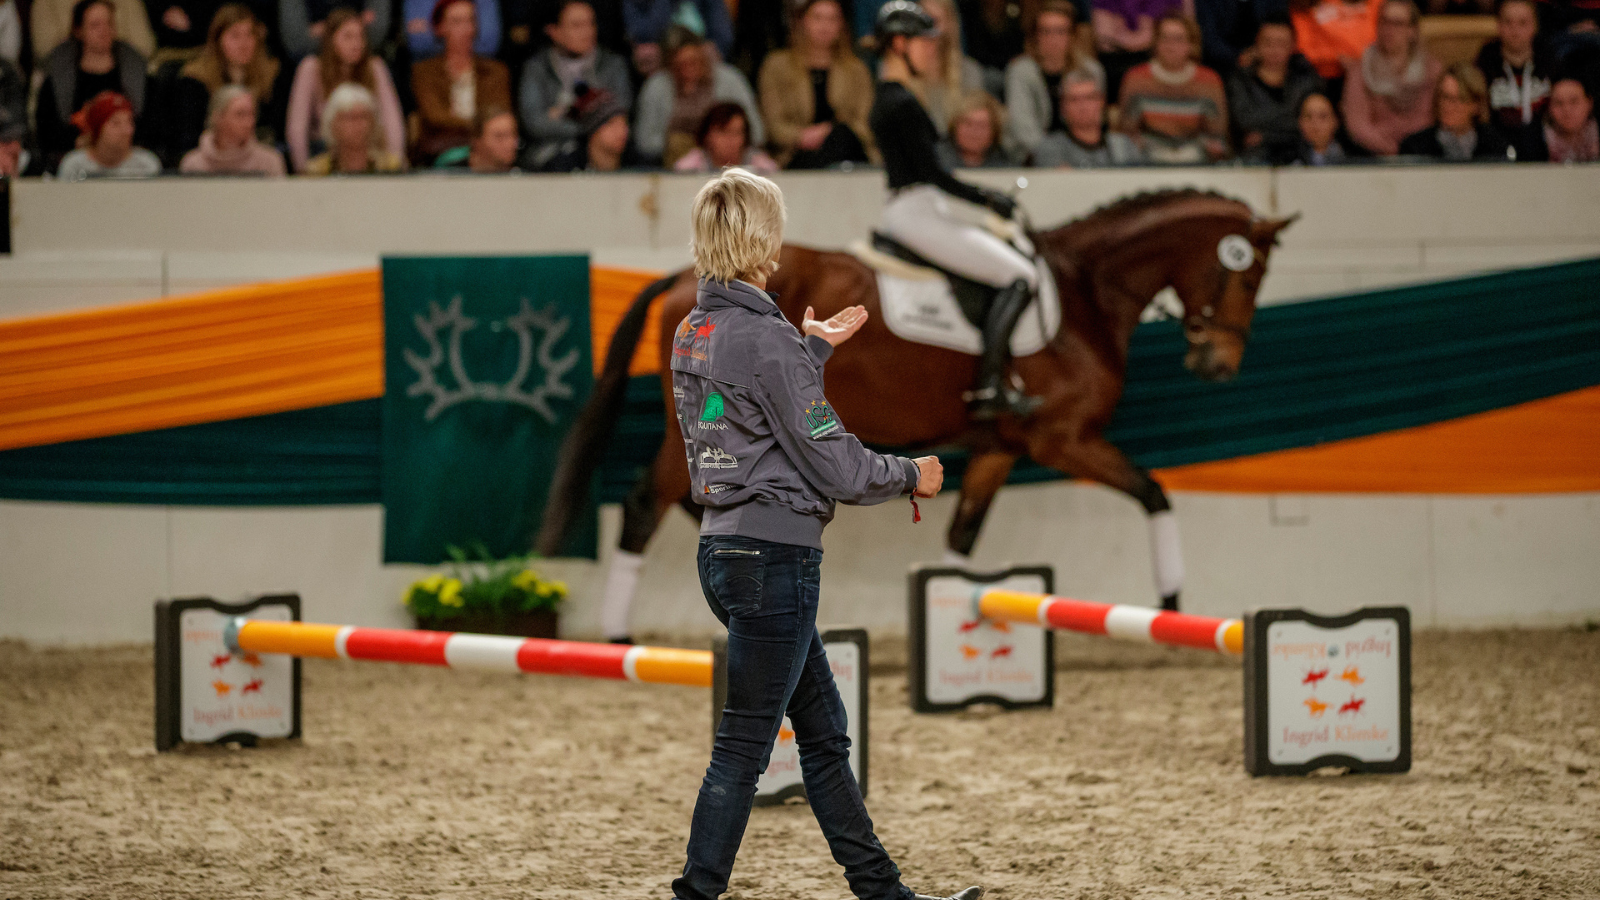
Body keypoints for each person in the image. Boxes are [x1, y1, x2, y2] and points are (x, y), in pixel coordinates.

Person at [666, 164, 973, 900]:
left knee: (825, 736)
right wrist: (909, 475)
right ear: (759, 238)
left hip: (723, 549)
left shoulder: (695, 328)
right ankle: (695, 894)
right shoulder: (765, 338)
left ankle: (883, 891)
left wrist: (813, 355)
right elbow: (833, 462)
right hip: (776, 558)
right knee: (745, 746)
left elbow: (739, 419)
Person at [871, 1, 1039, 419]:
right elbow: (934, 174)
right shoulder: (899, 103)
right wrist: (990, 199)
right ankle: (989, 387)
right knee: (1021, 274)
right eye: (924, 43)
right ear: (898, 44)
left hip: (919, 206)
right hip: (916, 209)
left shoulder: (896, 97)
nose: (933, 51)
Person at [757, 0, 874, 169]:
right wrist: (801, 136)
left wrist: (829, 132)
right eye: (818, 18)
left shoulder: (857, 70)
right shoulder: (777, 66)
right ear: (803, 21)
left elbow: (865, 123)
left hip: (849, 151)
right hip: (795, 153)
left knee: (841, 137)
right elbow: (772, 125)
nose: (824, 26)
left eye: (832, 19)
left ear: (841, 25)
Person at [284, 7, 404, 171]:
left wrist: (394, 163)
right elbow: (297, 127)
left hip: (369, 154)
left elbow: (392, 122)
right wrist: (302, 171)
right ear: (330, 39)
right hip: (323, 156)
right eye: (348, 36)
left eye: (360, 36)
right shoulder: (311, 68)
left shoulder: (374, 67)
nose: (356, 44)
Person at [518, 0, 632, 170]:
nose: (587, 32)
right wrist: (591, 122)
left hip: (605, 155)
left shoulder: (613, 65)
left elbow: (620, 113)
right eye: (576, 25)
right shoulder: (537, 68)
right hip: (548, 157)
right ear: (554, 31)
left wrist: (562, 113)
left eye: (591, 23)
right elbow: (535, 123)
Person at [35, 0, 148, 173]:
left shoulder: (137, 74)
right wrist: (86, 143)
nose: (104, 31)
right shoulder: (57, 81)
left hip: (129, 162)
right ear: (78, 31)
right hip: (74, 163)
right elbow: (47, 134)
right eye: (95, 25)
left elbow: (152, 127)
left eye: (109, 23)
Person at [170, 4, 286, 162]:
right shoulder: (196, 79)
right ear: (218, 40)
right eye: (235, 36)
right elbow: (188, 138)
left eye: (249, 35)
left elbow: (276, 131)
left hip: (258, 160)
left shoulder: (271, 74)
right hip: (210, 160)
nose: (244, 44)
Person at [634, 28, 764, 166]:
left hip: (727, 158)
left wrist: (720, 140)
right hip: (674, 163)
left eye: (693, 62)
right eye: (681, 65)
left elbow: (757, 134)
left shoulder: (730, 80)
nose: (688, 71)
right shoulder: (657, 86)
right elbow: (645, 142)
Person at [1117, 13, 1230, 162]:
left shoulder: (1209, 81)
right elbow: (1127, 132)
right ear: (1155, 42)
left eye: (1178, 39)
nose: (1171, 46)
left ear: (1191, 44)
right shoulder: (1136, 79)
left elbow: (1217, 134)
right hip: (1147, 159)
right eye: (1165, 38)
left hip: (1196, 158)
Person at [410, 0, 511, 164]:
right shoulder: (424, 72)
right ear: (440, 28)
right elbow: (435, 117)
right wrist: (480, 128)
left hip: (487, 149)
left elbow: (500, 113)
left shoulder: (495, 71)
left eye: (470, 20)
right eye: (457, 21)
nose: (467, 29)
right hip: (441, 148)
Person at [1004, 0, 1106, 159]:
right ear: (1035, 36)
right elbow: (1022, 127)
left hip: (1081, 155)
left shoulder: (1091, 71)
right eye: (1046, 31)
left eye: (1060, 31)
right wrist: (1052, 158)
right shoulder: (1020, 71)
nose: (1053, 39)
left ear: (1072, 36)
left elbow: (1095, 120)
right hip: (1029, 156)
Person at [1341, 0, 1439, 155]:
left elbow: (1431, 119)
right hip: (1373, 157)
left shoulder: (1431, 70)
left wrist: (1410, 148)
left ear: (1412, 30)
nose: (1389, 29)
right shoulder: (1360, 70)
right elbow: (1357, 125)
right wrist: (1392, 151)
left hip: (1422, 155)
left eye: (1397, 23)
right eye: (1384, 22)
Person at [1227, 13, 1325, 161]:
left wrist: (1266, 136)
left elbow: (1312, 123)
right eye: (1268, 43)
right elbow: (1245, 120)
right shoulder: (1240, 79)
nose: (1274, 50)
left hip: (1303, 154)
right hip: (1254, 158)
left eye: (1281, 43)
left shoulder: (1307, 79)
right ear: (1256, 44)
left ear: (1293, 46)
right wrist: (1293, 119)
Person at [1034, 65, 1146, 164]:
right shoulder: (1051, 148)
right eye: (1074, 100)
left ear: (1102, 102)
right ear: (1063, 107)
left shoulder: (1123, 145)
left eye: (1090, 98)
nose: (1083, 106)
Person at [1399, 61, 1513, 157]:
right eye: (1445, 97)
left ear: (1476, 105)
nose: (1448, 106)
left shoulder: (1496, 148)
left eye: (1459, 99)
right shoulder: (1414, 149)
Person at [1475, 0, 1553, 138]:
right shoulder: (1484, 62)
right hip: (1497, 144)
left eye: (1522, 23)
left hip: (1543, 146)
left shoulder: (1549, 59)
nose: (1515, 30)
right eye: (1508, 22)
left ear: (1534, 26)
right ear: (1498, 25)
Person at [1092, 0, 1193, 98]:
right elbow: (1104, 38)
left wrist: (1124, 36)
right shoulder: (1133, 79)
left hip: (1150, 56)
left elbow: (1182, 27)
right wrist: (1144, 34)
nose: (1171, 44)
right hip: (1114, 60)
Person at [178, 83, 287, 172]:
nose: (249, 122)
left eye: (252, 114)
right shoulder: (193, 164)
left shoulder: (269, 161)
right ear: (218, 117)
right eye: (240, 114)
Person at [918, 0, 990, 135]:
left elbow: (975, 126)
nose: (928, 31)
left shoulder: (969, 71)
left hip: (956, 150)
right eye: (922, 22)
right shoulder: (900, 71)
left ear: (949, 25)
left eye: (934, 21)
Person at [56, 89, 162, 177]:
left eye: (129, 122)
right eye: (116, 123)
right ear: (98, 130)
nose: (127, 131)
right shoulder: (75, 165)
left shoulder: (146, 164)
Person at [303, 81, 404, 173]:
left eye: (363, 116)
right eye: (349, 117)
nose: (358, 124)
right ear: (332, 124)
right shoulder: (316, 170)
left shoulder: (391, 167)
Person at [543, 85, 643, 170]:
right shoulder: (563, 168)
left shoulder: (639, 166)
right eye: (611, 123)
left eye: (624, 123)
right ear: (593, 130)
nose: (622, 130)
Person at [623, 0, 733, 76]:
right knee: (646, 54)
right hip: (660, 60)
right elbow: (641, 34)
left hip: (700, 58)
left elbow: (723, 36)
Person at [1288, 0, 1381, 85]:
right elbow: (1304, 50)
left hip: (1375, 67)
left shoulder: (1375, 6)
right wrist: (1336, 58)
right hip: (1330, 78)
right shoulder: (1304, 14)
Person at [675, 99, 778, 172]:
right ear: (707, 136)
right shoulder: (688, 168)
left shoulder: (763, 168)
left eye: (737, 132)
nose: (730, 140)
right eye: (723, 132)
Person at [32, 0, 155, 59]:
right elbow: (45, 52)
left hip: (122, 70)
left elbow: (145, 47)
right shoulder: (46, 3)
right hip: (67, 73)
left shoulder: (129, 2)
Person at [1514, 75, 1598, 160]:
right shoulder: (1531, 140)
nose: (1567, 110)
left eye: (1574, 101)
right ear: (1549, 107)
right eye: (1558, 103)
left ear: (1589, 103)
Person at [277, 0, 390, 61]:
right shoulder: (308, 69)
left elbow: (375, 35)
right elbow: (297, 43)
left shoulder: (376, 67)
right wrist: (357, 22)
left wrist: (325, 29)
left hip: (363, 64)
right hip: (311, 61)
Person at [936, 89, 1011, 166]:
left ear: (995, 132)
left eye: (982, 126)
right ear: (954, 126)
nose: (974, 131)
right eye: (968, 123)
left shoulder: (1008, 167)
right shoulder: (933, 161)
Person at [434, 105, 521, 169]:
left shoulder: (527, 171)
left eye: (513, 134)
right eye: (499, 136)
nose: (510, 143)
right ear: (477, 140)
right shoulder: (450, 172)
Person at [405, 0, 501, 57]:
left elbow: (489, 43)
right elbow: (416, 42)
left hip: (476, 65)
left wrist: (433, 31)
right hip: (426, 65)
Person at [1289, 87, 1352, 161]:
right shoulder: (1287, 161)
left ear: (1336, 121)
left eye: (1323, 116)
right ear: (1299, 121)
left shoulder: (1354, 159)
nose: (1315, 123)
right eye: (1308, 116)